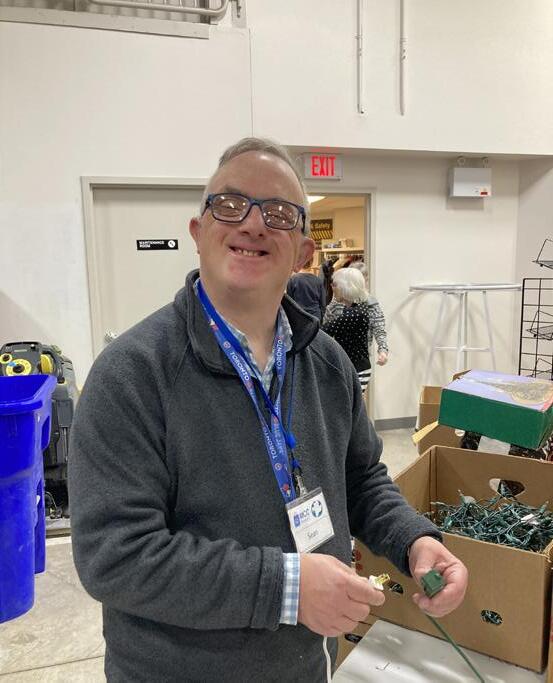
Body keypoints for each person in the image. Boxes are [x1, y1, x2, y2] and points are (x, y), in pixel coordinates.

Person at [69, 137, 468, 682]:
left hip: (305, 665)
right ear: (198, 232)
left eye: (279, 212)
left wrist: (413, 540)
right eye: (230, 204)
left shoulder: (326, 362)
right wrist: (288, 588)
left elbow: (360, 478)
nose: (253, 223)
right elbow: (114, 555)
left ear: (303, 253)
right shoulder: (132, 374)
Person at [286, 257, 326, 322]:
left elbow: (289, 303)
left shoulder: (292, 279)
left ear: (299, 262)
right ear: (311, 263)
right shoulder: (318, 280)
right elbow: (323, 303)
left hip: (299, 317)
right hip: (315, 317)